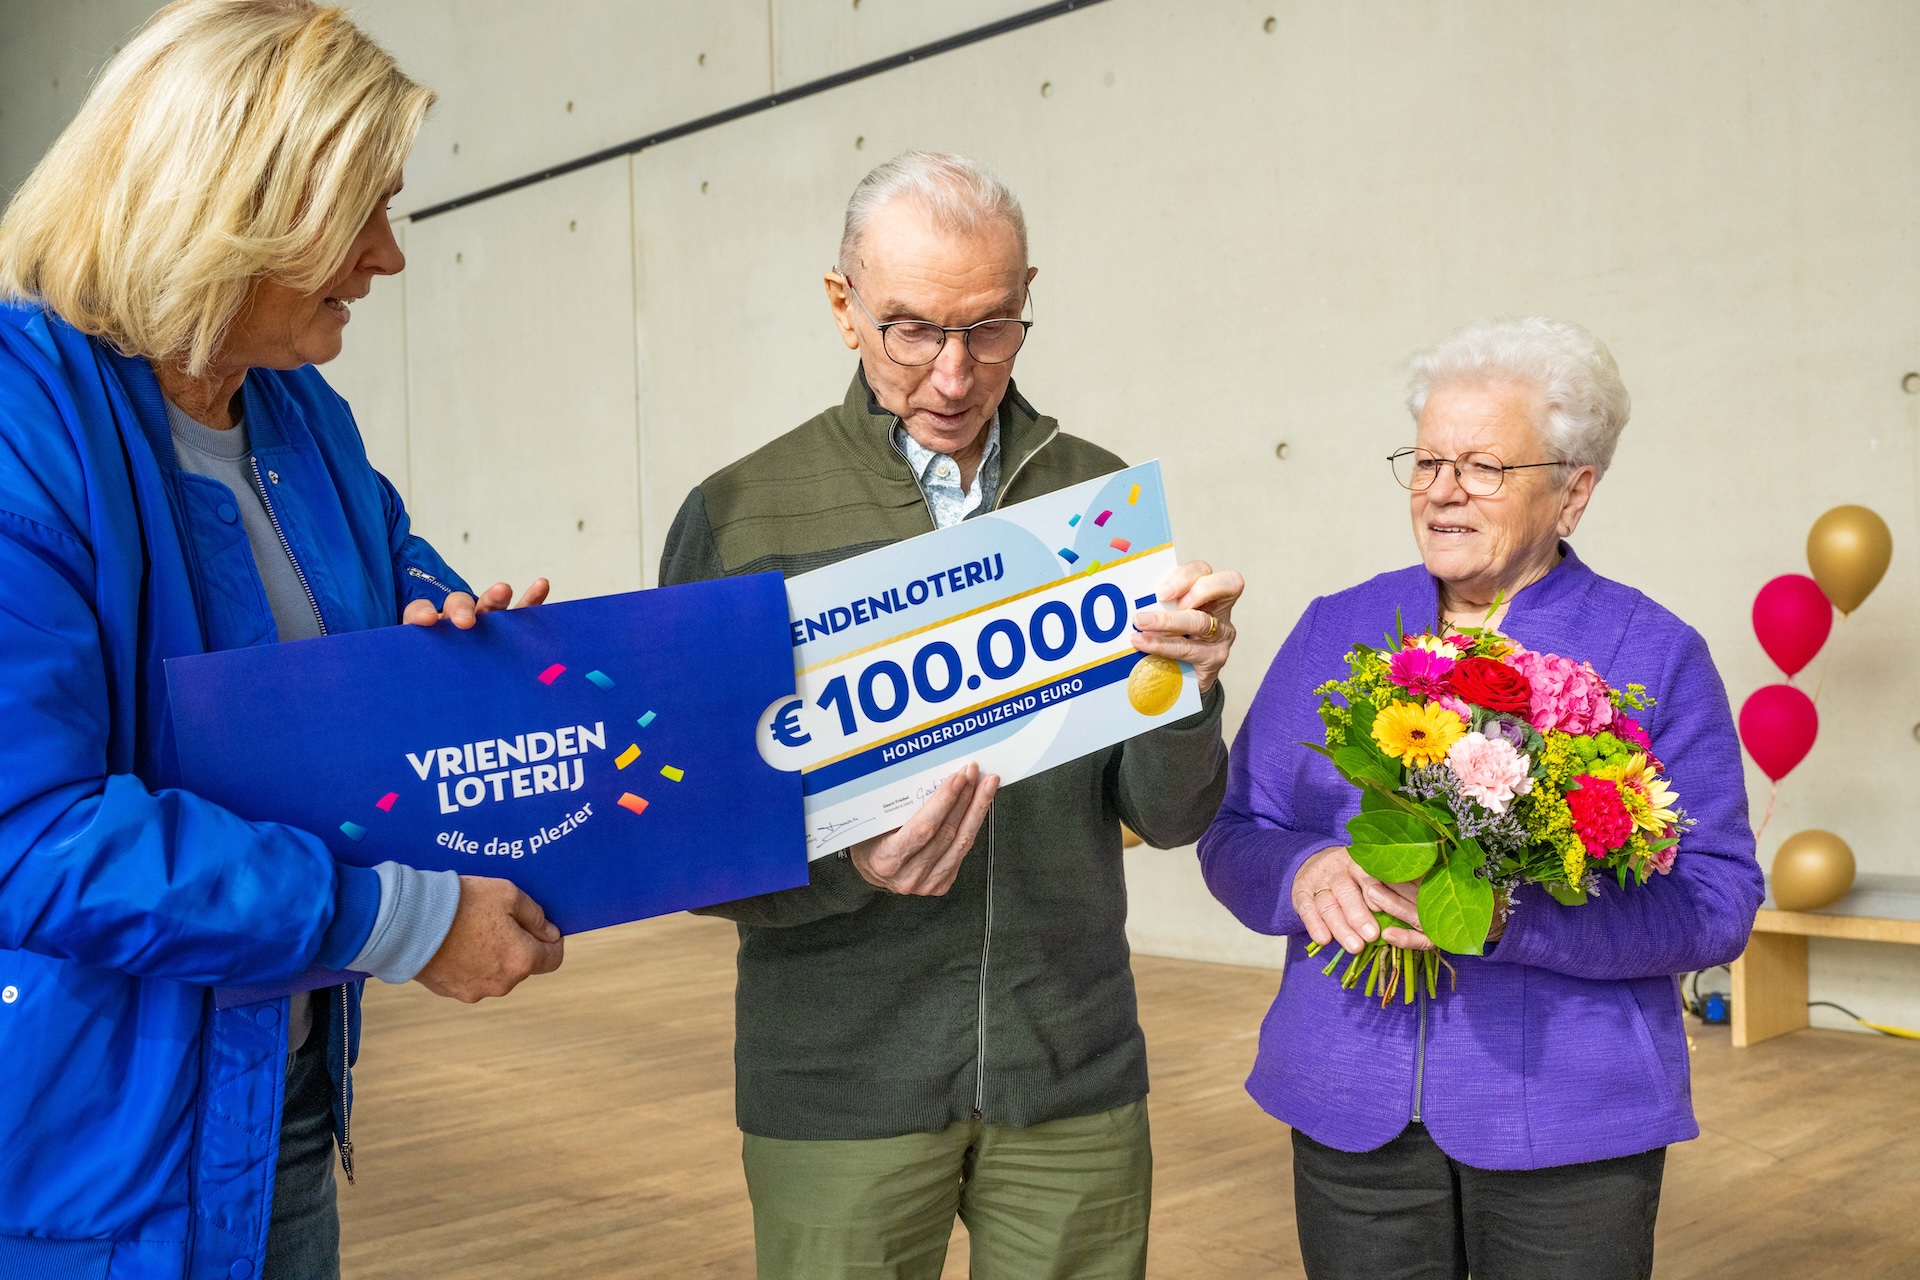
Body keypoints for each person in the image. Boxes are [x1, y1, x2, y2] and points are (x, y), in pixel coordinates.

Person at [0, 4, 564, 1277]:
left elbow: (393, 567)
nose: (389, 257)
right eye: (361, 214)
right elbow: (29, 836)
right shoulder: (19, 431)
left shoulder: (304, 415)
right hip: (82, 1163)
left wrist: (447, 639)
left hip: (277, 1106)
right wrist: (398, 917)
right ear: (229, 208)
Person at [660, 151, 1244, 1280]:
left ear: (1028, 297)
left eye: (991, 327)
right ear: (843, 306)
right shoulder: (740, 517)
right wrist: (853, 871)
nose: (954, 372)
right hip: (841, 1088)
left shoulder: (1098, 500)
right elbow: (693, 843)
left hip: (1070, 1077)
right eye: (911, 330)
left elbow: (1170, 817)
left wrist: (1189, 693)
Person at [1198, 316, 1762, 1280]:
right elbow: (1234, 829)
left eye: (1484, 467)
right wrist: (1305, 870)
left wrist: (1511, 918)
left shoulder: (1654, 652)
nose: (1442, 489)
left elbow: (1717, 901)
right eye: (1426, 461)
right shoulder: (1338, 626)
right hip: (1348, 1101)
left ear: (1573, 492)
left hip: (1569, 1122)